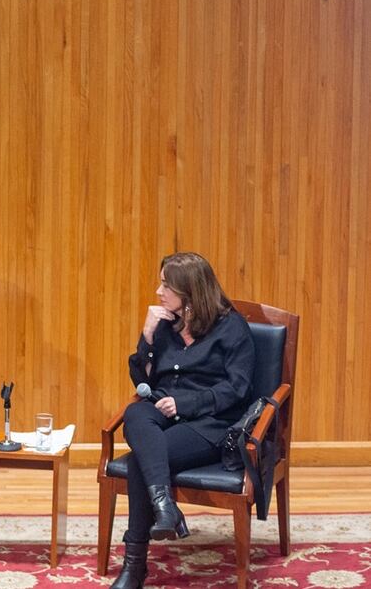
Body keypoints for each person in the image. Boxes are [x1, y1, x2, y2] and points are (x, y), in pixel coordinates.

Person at [112, 252, 256, 589]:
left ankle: (134, 567)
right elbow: (142, 380)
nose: (158, 291)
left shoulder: (232, 328)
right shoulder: (164, 324)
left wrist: (185, 402)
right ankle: (166, 508)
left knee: (139, 462)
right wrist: (146, 337)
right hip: (160, 413)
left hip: (210, 423)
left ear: (189, 291)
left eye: (166, 285)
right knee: (135, 411)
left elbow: (238, 389)